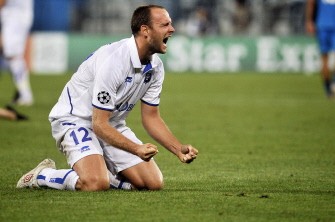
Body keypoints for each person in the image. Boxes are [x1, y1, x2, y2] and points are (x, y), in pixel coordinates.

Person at [16, 5, 198, 191]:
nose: (172, 29)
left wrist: (178, 149)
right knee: (94, 183)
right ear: (145, 30)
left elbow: (151, 117)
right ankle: (43, 175)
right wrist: (136, 149)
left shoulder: (156, 67)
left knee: (152, 183)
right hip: (75, 121)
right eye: (165, 24)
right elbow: (98, 124)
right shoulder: (114, 61)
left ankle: (107, 173)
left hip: (110, 125)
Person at [0, 0, 34, 105]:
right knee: (7, 52)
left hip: (15, 17)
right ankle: (21, 90)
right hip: (16, 15)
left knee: (13, 56)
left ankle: (25, 94)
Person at [305, 0, 335, 98]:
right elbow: (311, 2)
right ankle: (328, 87)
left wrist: (309, 21)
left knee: (326, 58)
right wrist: (309, 21)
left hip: (323, 24)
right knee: (324, 58)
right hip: (323, 25)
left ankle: (330, 86)